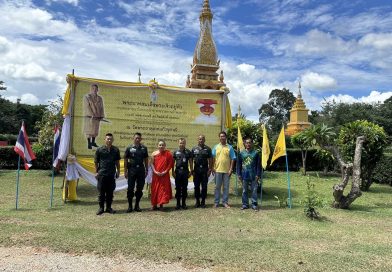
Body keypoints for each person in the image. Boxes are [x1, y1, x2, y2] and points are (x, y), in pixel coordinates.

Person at [94, 133, 120, 215]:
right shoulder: (99, 149)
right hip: (102, 174)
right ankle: (101, 208)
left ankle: (108, 208)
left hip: (111, 174)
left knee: (110, 192)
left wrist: (118, 171)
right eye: (108, 139)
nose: (109, 140)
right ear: (104, 140)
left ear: (113, 140)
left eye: (111, 139)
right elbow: (96, 161)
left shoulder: (116, 150)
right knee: (101, 193)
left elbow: (117, 162)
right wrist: (96, 172)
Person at [124, 132, 148, 213]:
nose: (137, 139)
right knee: (130, 189)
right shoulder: (129, 148)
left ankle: (137, 205)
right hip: (131, 170)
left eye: (139, 138)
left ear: (141, 139)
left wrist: (147, 169)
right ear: (133, 138)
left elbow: (146, 159)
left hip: (141, 170)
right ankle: (130, 206)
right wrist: (125, 171)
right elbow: (125, 160)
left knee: (139, 188)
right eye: (136, 138)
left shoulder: (144, 148)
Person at [212, 131, 236, 208]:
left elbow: (233, 159)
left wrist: (231, 169)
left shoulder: (230, 147)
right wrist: (212, 167)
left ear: (226, 137)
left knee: (226, 187)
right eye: (221, 136)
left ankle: (225, 202)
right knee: (217, 187)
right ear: (219, 137)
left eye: (223, 136)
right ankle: (216, 202)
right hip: (217, 170)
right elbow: (213, 158)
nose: (222, 137)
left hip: (226, 171)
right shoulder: (216, 147)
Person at [238, 137, 261, 211]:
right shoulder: (241, 153)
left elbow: (258, 165)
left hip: (254, 175)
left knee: (254, 190)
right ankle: (245, 204)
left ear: (252, 143)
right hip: (244, 175)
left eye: (250, 142)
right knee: (244, 190)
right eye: (247, 143)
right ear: (244, 144)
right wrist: (239, 174)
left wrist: (258, 174)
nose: (248, 144)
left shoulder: (256, 153)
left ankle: (254, 205)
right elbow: (238, 165)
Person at [150, 140, 174, 211]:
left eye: (162, 145)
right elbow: (151, 163)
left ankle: (161, 205)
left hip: (164, 175)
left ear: (165, 146)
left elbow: (170, 164)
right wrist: (155, 171)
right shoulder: (154, 153)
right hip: (156, 175)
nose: (161, 146)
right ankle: (154, 205)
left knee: (162, 190)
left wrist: (165, 171)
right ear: (157, 146)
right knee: (155, 189)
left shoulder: (168, 154)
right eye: (160, 145)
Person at [191, 135, 212, 208]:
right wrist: (192, 170)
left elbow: (210, 160)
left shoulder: (208, 149)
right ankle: (197, 201)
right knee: (196, 186)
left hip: (204, 170)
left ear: (204, 140)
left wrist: (210, 169)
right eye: (200, 139)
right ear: (198, 140)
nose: (201, 140)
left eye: (202, 139)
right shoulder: (194, 149)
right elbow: (191, 160)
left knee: (204, 187)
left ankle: (203, 202)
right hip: (196, 170)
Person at [172, 138, 193, 210]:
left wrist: (191, 171)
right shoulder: (175, 152)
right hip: (177, 172)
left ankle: (184, 204)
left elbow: (190, 162)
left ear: (185, 143)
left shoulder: (188, 152)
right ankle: (178, 204)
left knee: (184, 188)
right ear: (178, 143)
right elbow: (172, 163)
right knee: (178, 188)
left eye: (183, 143)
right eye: (180, 143)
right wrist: (172, 171)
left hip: (185, 172)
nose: (182, 144)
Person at [84, 84, 105, 149]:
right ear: (91, 89)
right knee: (89, 131)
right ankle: (89, 143)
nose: (94, 90)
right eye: (93, 89)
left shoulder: (100, 98)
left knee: (95, 130)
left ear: (97, 90)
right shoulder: (87, 97)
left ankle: (93, 142)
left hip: (97, 116)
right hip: (89, 117)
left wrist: (101, 115)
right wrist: (91, 114)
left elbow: (102, 107)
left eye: (96, 89)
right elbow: (87, 106)